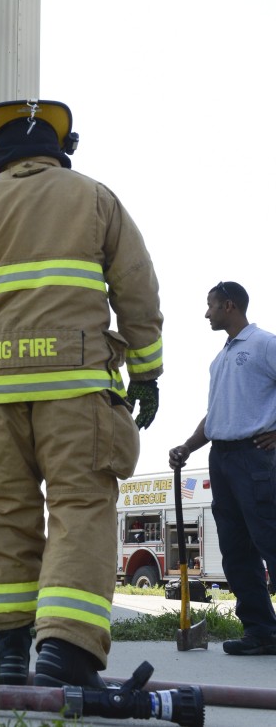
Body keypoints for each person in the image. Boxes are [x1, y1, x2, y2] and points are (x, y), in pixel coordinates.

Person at [0, 98, 163, 688]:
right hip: (76, 394)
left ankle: (6, 655)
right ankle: (66, 654)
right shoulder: (95, 198)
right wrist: (147, 374)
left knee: (5, 514)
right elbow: (137, 292)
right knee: (80, 508)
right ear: (60, 149)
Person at [169, 280, 276, 656]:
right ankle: (262, 632)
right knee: (235, 549)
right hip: (223, 458)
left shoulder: (264, 344)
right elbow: (216, 416)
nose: (206, 313)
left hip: (255, 457)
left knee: (271, 539)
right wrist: (188, 445)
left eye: (211, 305)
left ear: (229, 305)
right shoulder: (220, 359)